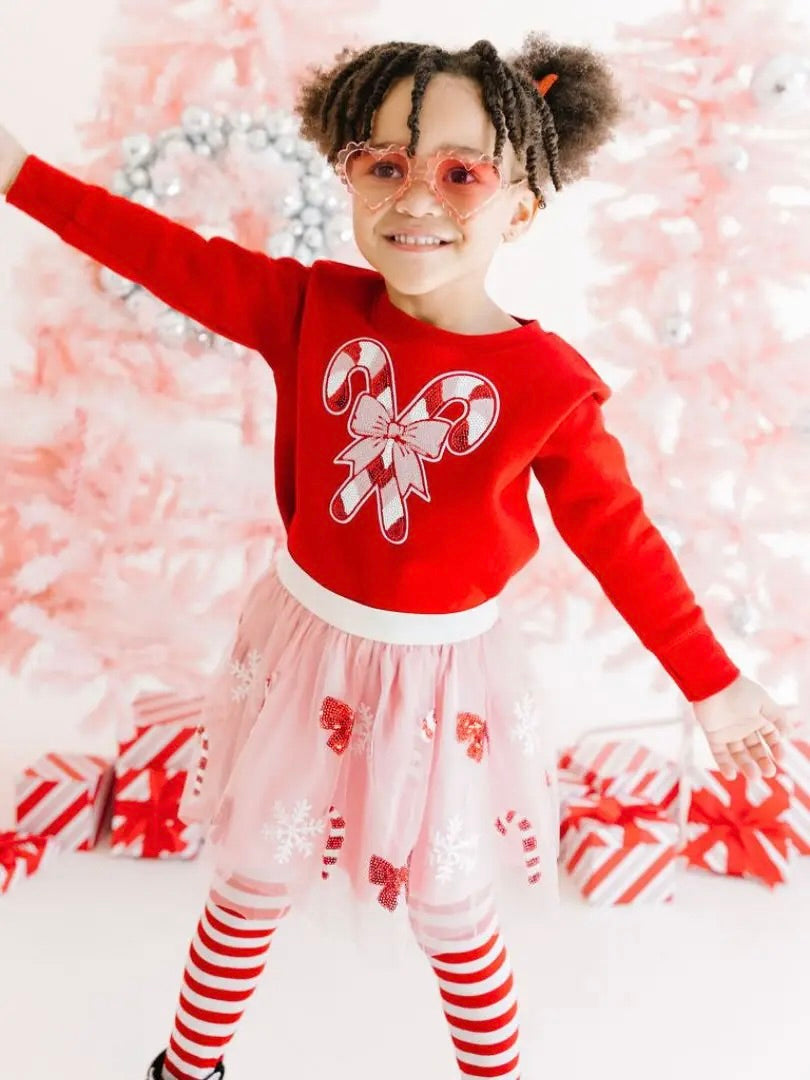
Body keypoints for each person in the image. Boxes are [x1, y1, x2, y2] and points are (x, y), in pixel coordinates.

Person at [0, 32, 792, 1080]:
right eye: (385, 165)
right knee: (250, 876)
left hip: (440, 683)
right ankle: (188, 1067)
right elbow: (166, 257)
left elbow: (621, 539)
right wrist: (19, 176)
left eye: (461, 173)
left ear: (522, 203)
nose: (417, 199)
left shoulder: (548, 386)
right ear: (355, 174)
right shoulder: (310, 307)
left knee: (449, 903)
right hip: (303, 655)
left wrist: (716, 687)